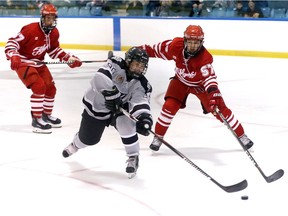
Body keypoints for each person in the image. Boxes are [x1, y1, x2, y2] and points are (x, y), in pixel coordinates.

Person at [139, 25, 254, 152]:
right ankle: (158, 137)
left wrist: (213, 92)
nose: (193, 45)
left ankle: (242, 136)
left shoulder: (205, 58)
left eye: (196, 42)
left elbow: (209, 78)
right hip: (180, 82)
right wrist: (138, 51)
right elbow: (156, 50)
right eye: (190, 42)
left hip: (200, 86)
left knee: (220, 109)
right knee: (169, 107)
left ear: (201, 42)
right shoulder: (175, 46)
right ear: (185, 40)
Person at [62, 47, 153, 178]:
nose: (139, 68)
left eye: (142, 66)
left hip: (119, 110)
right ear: (128, 61)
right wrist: (111, 94)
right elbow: (99, 77)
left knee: (126, 124)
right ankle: (75, 144)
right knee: (88, 140)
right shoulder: (116, 64)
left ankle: (133, 157)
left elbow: (140, 101)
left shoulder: (142, 84)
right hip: (98, 107)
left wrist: (144, 117)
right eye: (136, 64)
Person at [4, 3, 82, 134]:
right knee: (39, 87)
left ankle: (46, 115)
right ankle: (37, 119)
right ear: (42, 17)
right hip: (23, 63)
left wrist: (69, 59)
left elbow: (53, 51)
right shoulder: (30, 29)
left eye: (52, 18)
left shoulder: (54, 32)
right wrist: (14, 55)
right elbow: (12, 42)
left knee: (51, 88)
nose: (50, 20)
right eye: (47, 18)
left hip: (38, 63)